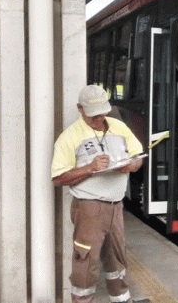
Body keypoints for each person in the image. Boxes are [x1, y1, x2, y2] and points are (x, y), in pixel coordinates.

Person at [52, 85, 149, 303]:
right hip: (89, 207)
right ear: (80, 109)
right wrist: (90, 168)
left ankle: (122, 299)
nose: (100, 117)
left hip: (116, 204)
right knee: (86, 261)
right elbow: (58, 178)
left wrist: (132, 165)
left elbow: (137, 155)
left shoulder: (118, 127)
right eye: (93, 114)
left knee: (117, 257)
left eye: (103, 111)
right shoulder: (70, 137)